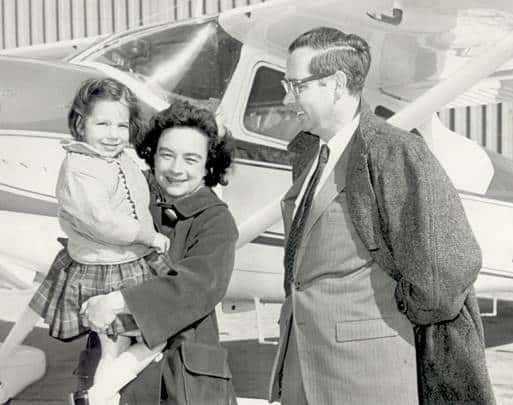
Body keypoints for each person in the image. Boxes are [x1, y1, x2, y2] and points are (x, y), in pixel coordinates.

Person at [268, 27, 495, 404]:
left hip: (367, 377)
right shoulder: (310, 153)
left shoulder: (396, 152)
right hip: (303, 374)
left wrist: (390, 315)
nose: (285, 96)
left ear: (337, 84)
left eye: (296, 85)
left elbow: (443, 275)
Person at [0, 78, 174, 405]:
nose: (113, 134)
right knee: (135, 340)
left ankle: (97, 395)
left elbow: (138, 196)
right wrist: (149, 236)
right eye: (103, 123)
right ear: (82, 123)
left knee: (138, 339)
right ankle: (97, 397)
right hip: (108, 266)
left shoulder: (119, 159)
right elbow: (104, 221)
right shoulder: (80, 167)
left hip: (127, 259)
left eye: (121, 125)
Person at [75, 100, 239, 405]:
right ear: (152, 155)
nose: (176, 169)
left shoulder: (216, 221)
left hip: (181, 383)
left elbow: (196, 286)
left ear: (209, 165)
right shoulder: (130, 202)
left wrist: (117, 301)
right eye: (167, 155)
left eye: (191, 159)